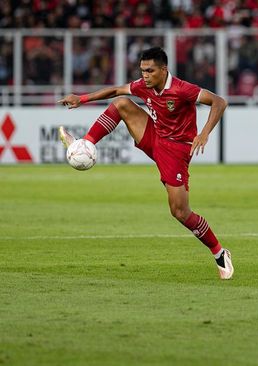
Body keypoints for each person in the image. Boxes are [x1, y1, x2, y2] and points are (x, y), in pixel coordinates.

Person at [57, 47, 234, 280]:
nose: (145, 76)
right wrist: (82, 98)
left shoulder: (182, 89)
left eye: (150, 71)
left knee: (180, 211)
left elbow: (219, 102)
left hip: (176, 151)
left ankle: (219, 252)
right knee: (122, 103)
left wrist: (204, 133)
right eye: (142, 71)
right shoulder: (144, 85)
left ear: (164, 70)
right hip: (154, 137)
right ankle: (84, 144)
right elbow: (116, 90)